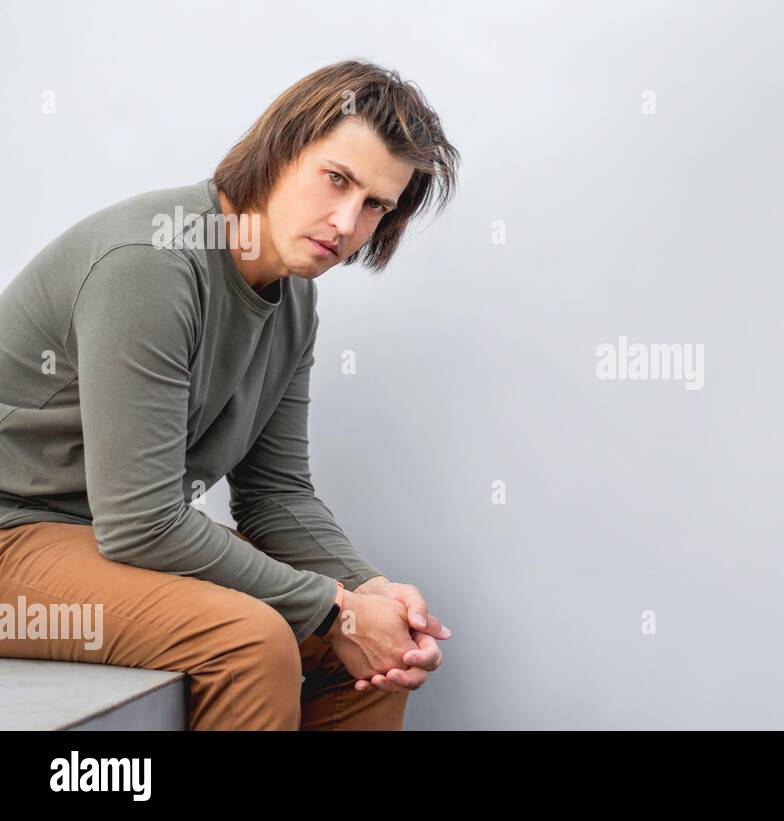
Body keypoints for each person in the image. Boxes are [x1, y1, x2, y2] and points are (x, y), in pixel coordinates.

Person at [0, 59, 461, 730]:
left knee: (376, 652)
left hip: (95, 535)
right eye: (336, 179)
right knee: (253, 637)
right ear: (279, 150)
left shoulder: (294, 297)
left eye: (374, 206)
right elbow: (144, 521)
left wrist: (368, 592)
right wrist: (333, 607)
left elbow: (277, 494)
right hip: (15, 533)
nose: (344, 219)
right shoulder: (152, 263)